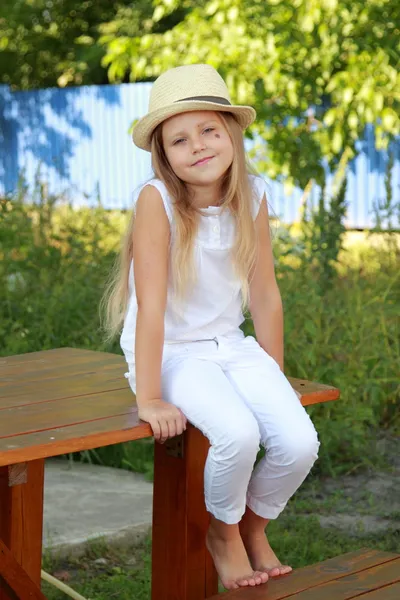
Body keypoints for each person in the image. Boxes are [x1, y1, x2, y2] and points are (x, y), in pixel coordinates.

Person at [102, 63, 320, 591]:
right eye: (179, 138)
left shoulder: (252, 191)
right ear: (164, 155)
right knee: (238, 434)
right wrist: (150, 398)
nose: (197, 145)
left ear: (231, 133)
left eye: (208, 130)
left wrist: (274, 375)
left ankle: (253, 524)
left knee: (298, 441)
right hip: (172, 351)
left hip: (230, 345)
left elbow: (265, 293)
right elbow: (149, 308)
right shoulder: (158, 202)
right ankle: (222, 535)